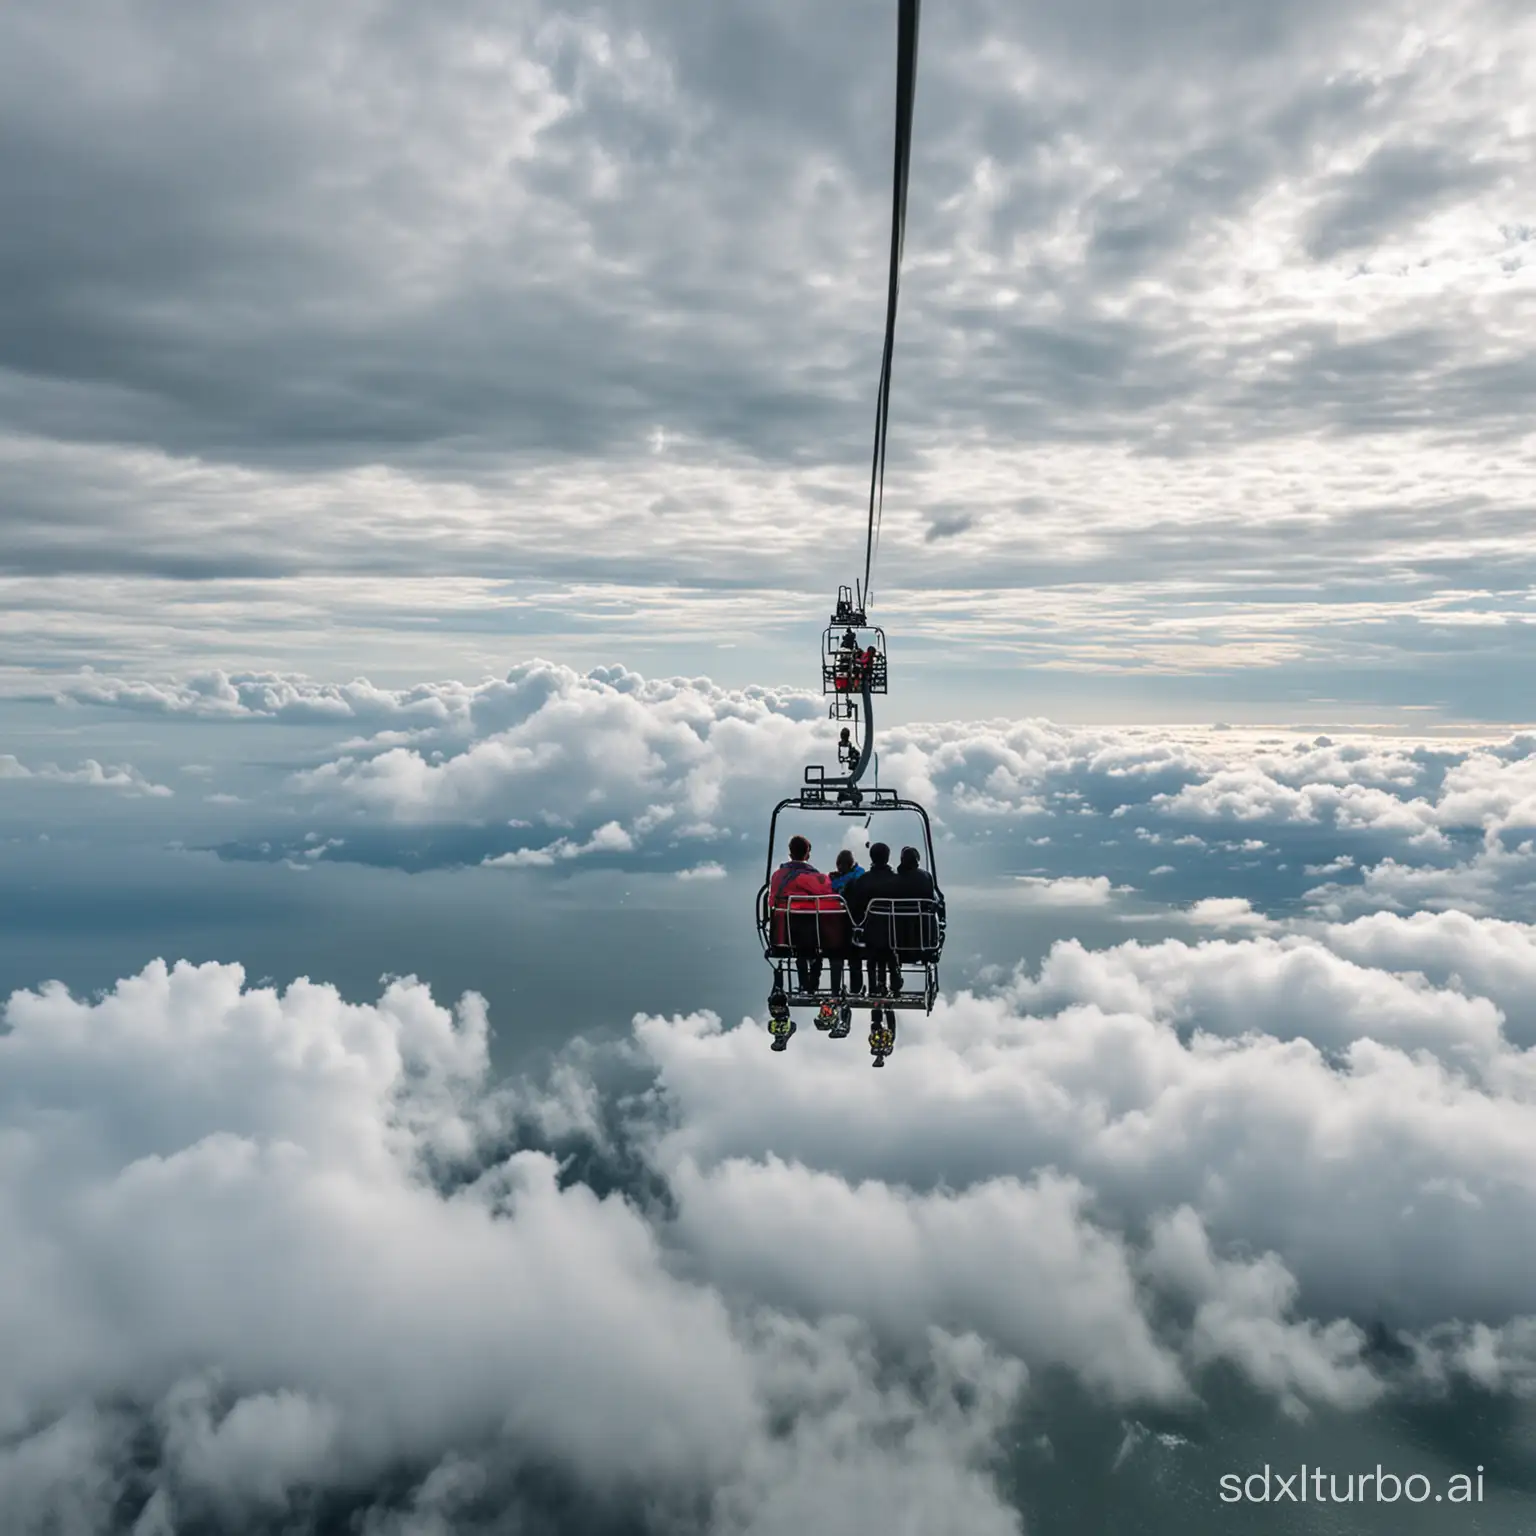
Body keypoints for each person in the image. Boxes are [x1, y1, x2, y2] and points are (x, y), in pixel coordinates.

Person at [769, 834, 845, 993]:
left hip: (785, 929)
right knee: (816, 940)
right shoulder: (813, 877)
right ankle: (813, 982)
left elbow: (772, 902)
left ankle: (804, 983)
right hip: (811, 931)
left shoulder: (778, 876)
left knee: (801, 948)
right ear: (807, 854)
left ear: (790, 852)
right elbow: (827, 895)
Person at [843, 841, 901, 996]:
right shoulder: (898, 881)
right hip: (895, 933)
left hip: (870, 933)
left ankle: (869, 985)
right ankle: (892, 977)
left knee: (864, 944)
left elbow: (854, 908)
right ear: (887, 858)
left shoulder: (862, 882)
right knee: (887, 944)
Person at [889, 844, 943, 957]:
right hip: (923, 936)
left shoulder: (894, 881)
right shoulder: (926, 878)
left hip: (896, 937)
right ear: (917, 861)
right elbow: (934, 900)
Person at [827, 848, 866, 996]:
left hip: (845, 921)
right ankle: (856, 989)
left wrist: (834, 879)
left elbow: (837, 889)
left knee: (838, 955)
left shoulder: (852, 878)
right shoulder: (860, 874)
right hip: (856, 923)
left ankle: (835, 990)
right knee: (854, 957)